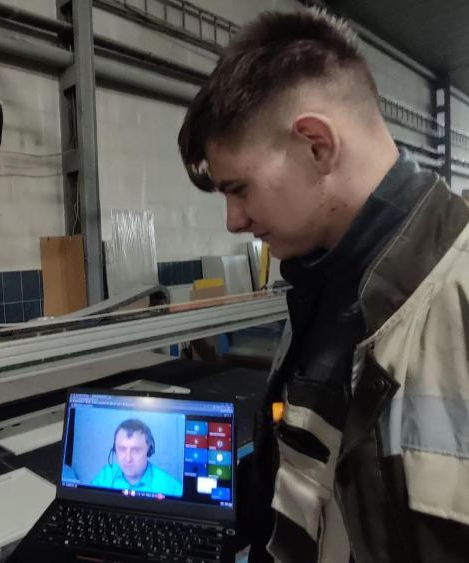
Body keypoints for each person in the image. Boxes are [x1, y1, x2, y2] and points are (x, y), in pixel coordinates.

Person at [178, 8, 469, 563]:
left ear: (316, 145)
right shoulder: (321, 282)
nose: (233, 220)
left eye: (239, 189)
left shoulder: (457, 297)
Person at [91, 419, 182, 496]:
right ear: (114, 449)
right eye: (122, 449)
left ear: (149, 450)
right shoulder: (105, 475)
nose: (128, 459)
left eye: (136, 450)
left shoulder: (170, 487)